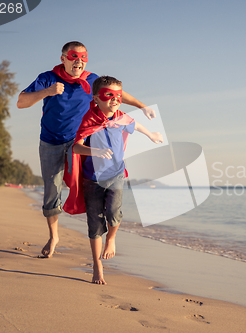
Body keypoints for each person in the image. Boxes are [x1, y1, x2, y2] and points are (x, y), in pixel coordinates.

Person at [17, 41, 155, 258]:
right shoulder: (48, 78)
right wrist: (47, 92)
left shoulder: (92, 80)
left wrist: (141, 106)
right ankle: (54, 236)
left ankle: (104, 230)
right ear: (63, 59)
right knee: (52, 188)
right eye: (74, 56)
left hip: (79, 143)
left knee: (88, 185)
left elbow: (116, 94)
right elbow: (21, 102)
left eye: (83, 57)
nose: (79, 61)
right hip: (51, 141)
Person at [66, 76, 162, 284]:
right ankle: (97, 266)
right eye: (108, 95)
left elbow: (135, 125)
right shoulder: (89, 119)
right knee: (95, 223)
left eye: (118, 95)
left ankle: (111, 239)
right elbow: (76, 146)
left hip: (117, 174)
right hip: (93, 179)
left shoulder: (121, 117)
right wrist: (95, 151)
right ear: (96, 99)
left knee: (113, 213)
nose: (115, 99)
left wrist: (151, 135)